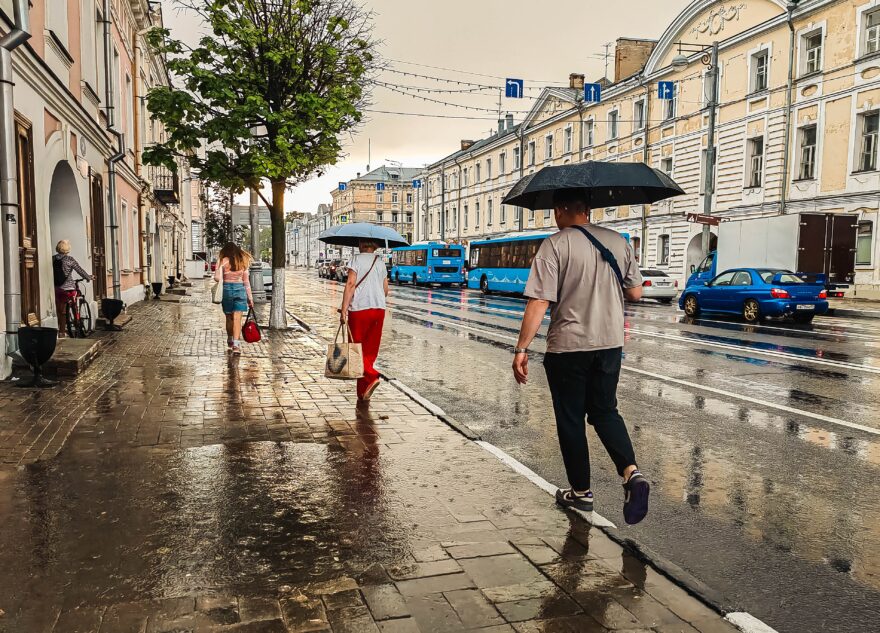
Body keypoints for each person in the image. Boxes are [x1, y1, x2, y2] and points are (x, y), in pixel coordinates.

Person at [511, 189, 650, 525]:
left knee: (571, 418)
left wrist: (521, 348)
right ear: (588, 209)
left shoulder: (554, 245)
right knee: (604, 411)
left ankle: (581, 493)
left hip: (569, 347)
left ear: (560, 209)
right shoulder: (618, 241)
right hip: (610, 344)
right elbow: (635, 292)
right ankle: (631, 474)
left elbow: (539, 302)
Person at [339, 239, 389, 403]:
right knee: (369, 351)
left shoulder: (356, 259)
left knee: (356, 350)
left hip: (360, 310)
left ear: (361, 244)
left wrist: (344, 309)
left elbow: (351, 284)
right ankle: (362, 392)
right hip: (379, 310)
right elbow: (386, 290)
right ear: (374, 245)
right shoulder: (380, 262)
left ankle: (373, 376)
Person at [214, 242, 254, 355]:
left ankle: (230, 339)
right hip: (240, 290)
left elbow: (217, 278)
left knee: (229, 318)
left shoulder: (222, 260)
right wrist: (250, 298)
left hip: (226, 290)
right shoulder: (243, 261)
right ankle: (236, 345)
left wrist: (222, 274)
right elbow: (246, 282)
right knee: (237, 319)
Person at [52, 240, 92, 337]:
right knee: (74, 303)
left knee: (61, 311)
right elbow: (80, 270)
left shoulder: (53, 259)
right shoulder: (70, 259)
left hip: (58, 288)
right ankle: (76, 319)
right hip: (69, 287)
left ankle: (61, 332)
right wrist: (88, 277)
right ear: (68, 249)